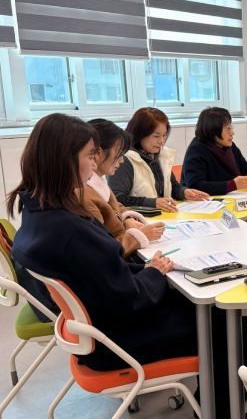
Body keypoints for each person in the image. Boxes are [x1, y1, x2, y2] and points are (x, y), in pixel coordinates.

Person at [7, 113, 197, 371]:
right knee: (214, 318)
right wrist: (153, 273)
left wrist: (148, 269)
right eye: (89, 156)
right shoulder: (70, 229)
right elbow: (129, 297)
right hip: (115, 341)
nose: (94, 163)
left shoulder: (37, 210)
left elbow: (105, 273)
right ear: (65, 161)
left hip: (96, 330)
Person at [84, 119, 164, 258]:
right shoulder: (85, 195)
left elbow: (115, 206)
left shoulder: (97, 181)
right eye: (119, 154)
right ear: (98, 153)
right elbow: (104, 252)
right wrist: (139, 236)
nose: (121, 160)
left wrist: (127, 219)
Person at [110, 107, 208, 212]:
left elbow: (172, 186)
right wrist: (153, 203)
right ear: (140, 134)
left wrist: (184, 192)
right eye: (156, 136)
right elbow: (117, 198)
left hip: (165, 215)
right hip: (140, 218)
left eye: (164, 135)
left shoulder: (160, 155)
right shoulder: (125, 159)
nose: (161, 141)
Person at [182, 107, 247, 195]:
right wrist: (232, 185)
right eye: (227, 128)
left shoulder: (230, 146)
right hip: (204, 201)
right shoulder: (196, 150)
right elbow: (195, 186)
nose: (232, 133)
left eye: (231, 127)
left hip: (233, 197)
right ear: (213, 131)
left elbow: (246, 169)